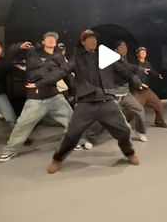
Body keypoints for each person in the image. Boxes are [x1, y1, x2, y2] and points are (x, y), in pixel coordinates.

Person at [47, 29, 147, 174]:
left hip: (106, 101)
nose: (92, 41)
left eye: (94, 38)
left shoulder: (105, 55)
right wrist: (42, 82)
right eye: (88, 39)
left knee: (124, 130)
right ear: (83, 42)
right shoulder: (78, 58)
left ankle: (129, 153)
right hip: (85, 103)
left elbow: (122, 70)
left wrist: (135, 80)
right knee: (72, 134)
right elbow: (62, 70)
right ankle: (57, 159)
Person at [0, 32, 74, 162]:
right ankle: (9, 150)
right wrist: (18, 47)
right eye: (48, 38)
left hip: (54, 95)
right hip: (36, 97)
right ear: (43, 41)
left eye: (53, 39)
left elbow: (67, 75)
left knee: (73, 120)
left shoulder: (58, 57)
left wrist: (73, 92)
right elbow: (9, 55)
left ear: (56, 43)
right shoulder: (32, 52)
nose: (51, 40)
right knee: (22, 125)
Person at [83, 40, 148, 150]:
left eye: (126, 47)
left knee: (139, 110)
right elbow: (123, 71)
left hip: (125, 94)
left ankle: (139, 131)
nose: (125, 49)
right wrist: (136, 80)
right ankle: (90, 139)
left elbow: (128, 66)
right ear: (116, 50)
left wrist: (140, 68)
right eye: (122, 48)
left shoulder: (123, 59)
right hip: (112, 94)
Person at [0, 38, 30, 127]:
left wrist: (19, 46)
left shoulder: (4, 62)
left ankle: (19, 138)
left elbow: (11, 54)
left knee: (10, 118)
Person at [134, 47, 167, 128]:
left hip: (147, 90)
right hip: (137, 91)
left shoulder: (147, 63)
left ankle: (159, 122)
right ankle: (124, 125)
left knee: (159, 105)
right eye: (141, 52)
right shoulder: (134, 64)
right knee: (135, 110)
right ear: (137, 54)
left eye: (144, 52)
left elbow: (151, 70)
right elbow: (131, 74)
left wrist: (157, 75)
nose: (143, 53)